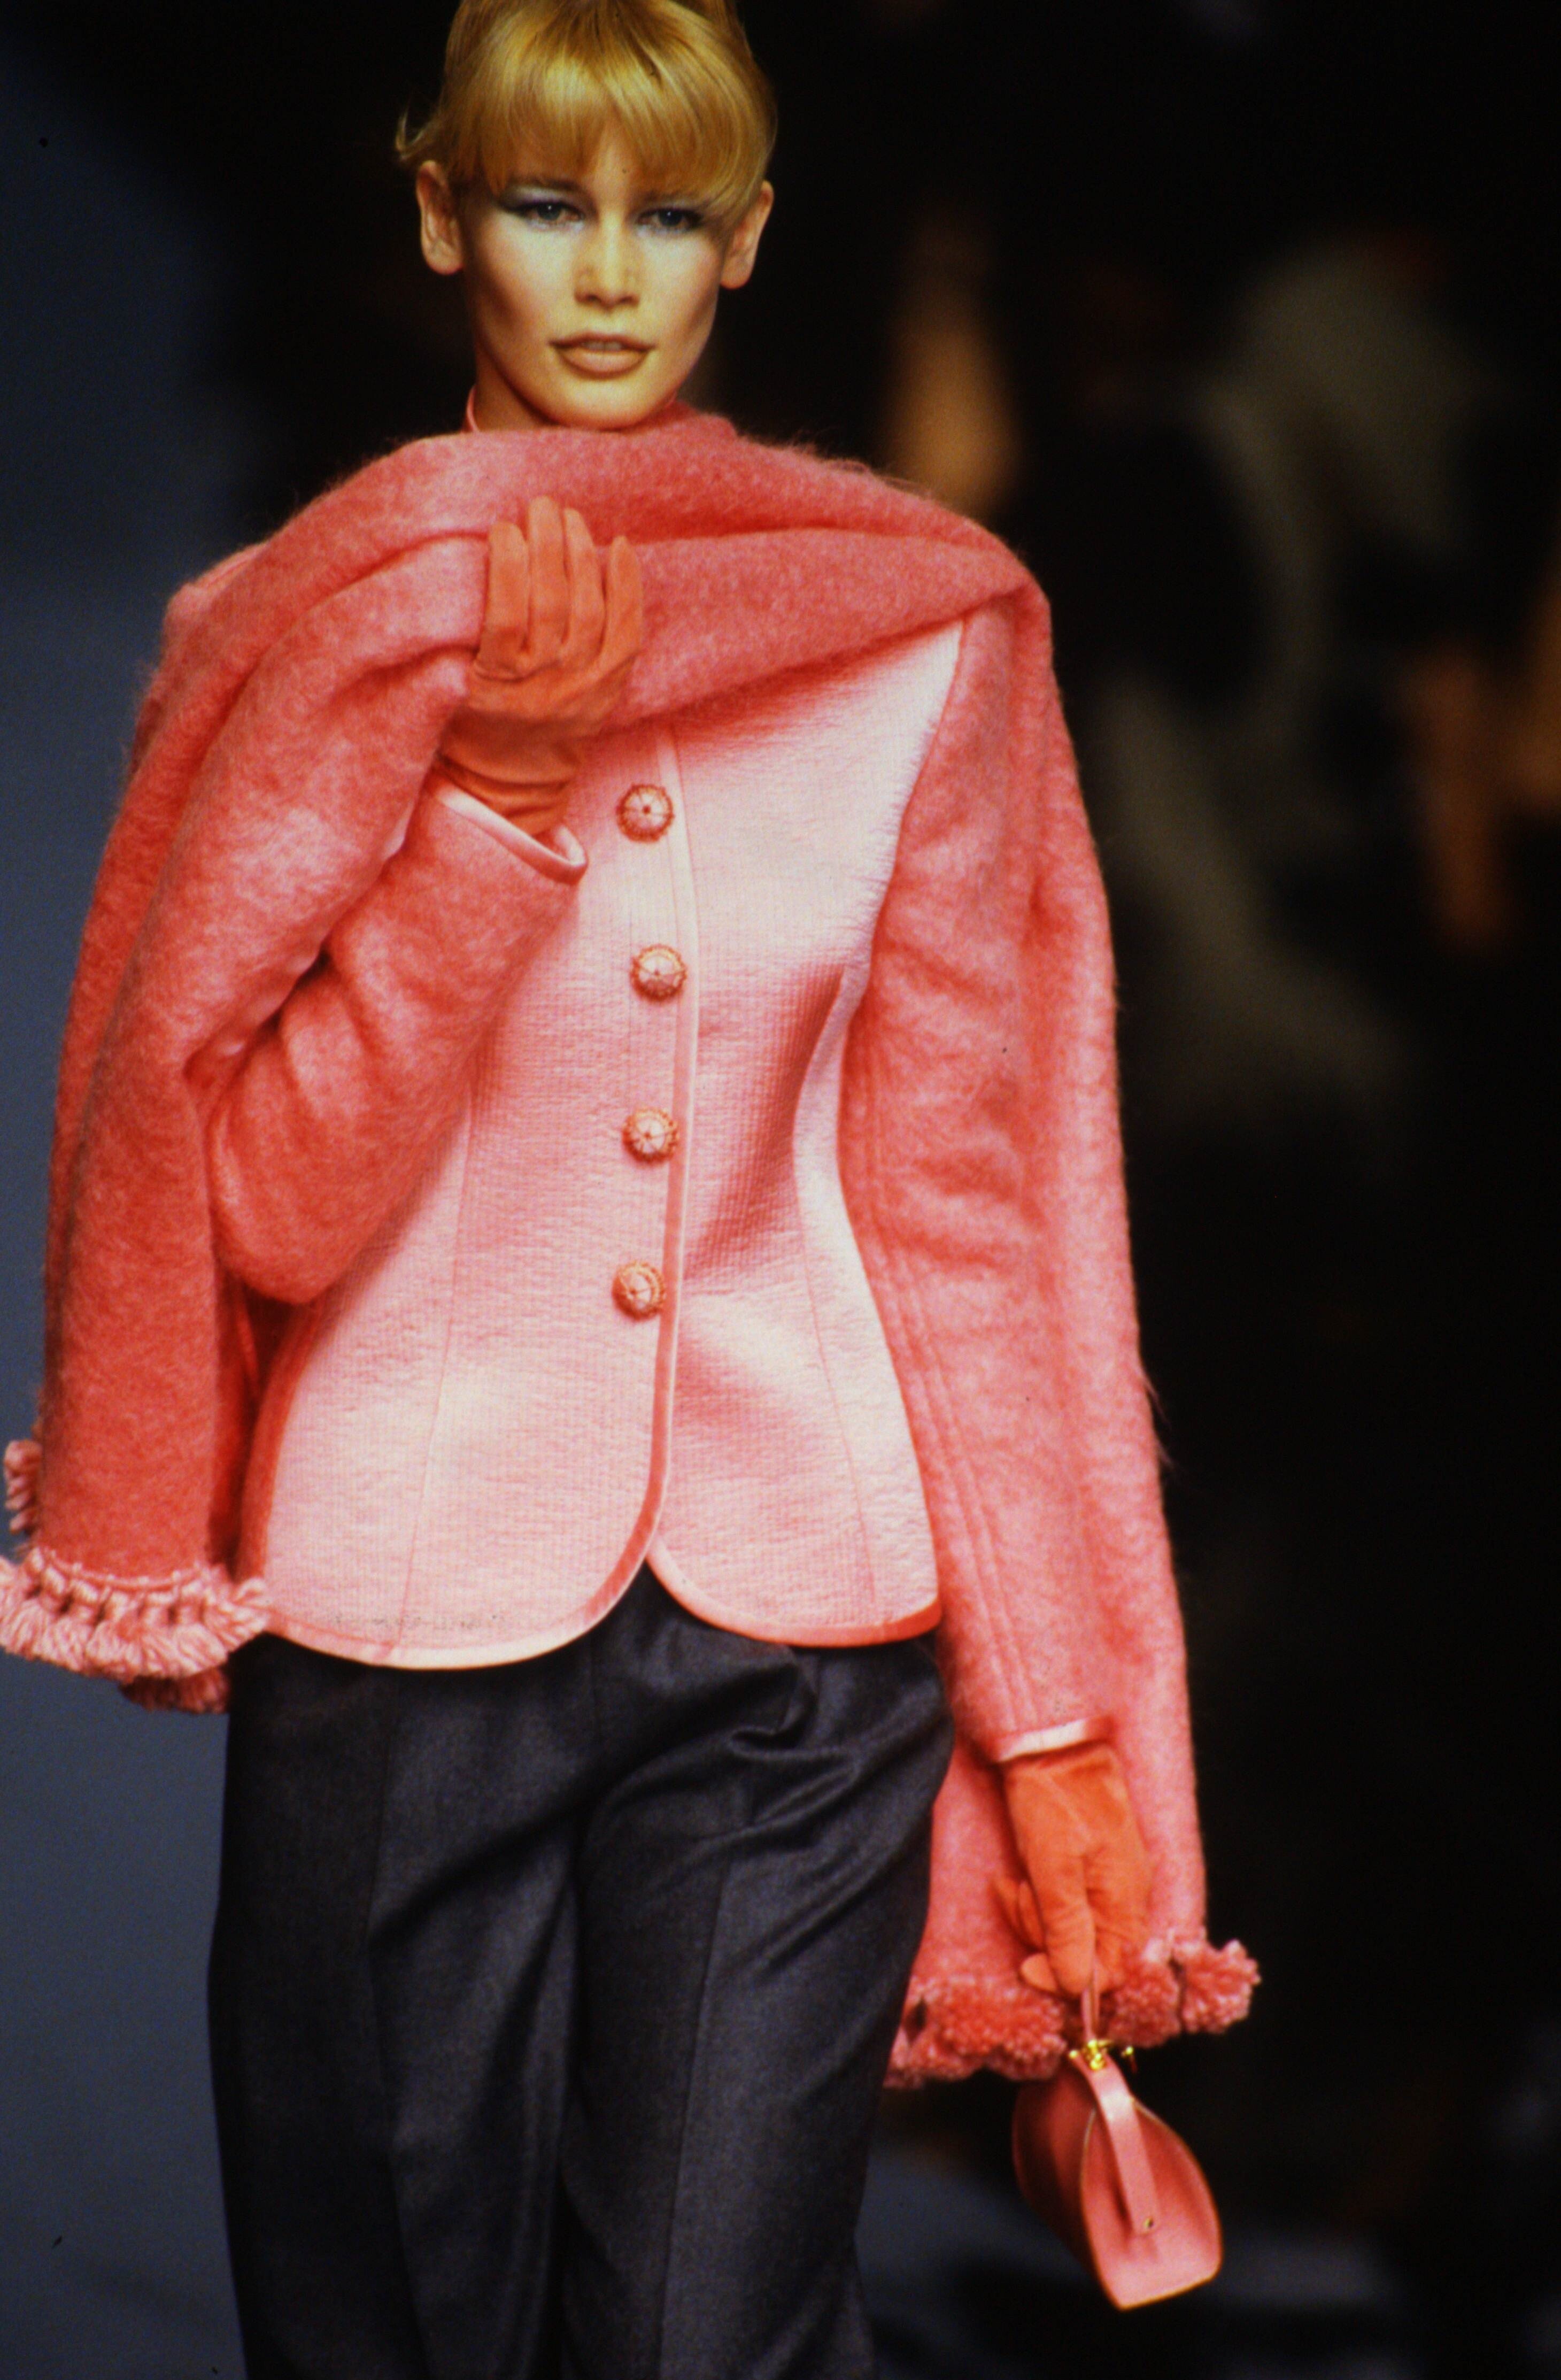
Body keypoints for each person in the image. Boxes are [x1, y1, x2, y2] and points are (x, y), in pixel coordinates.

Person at [0, 3, 1253, 2372]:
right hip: (405, 1623)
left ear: (747, 242)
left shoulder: (920, 631)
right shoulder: (300, 638)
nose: (605, 274)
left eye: (668, 215)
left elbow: (968, 1213)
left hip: (806, 1641)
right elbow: (259, 1206)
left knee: (713, 2339)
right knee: (388, 2328)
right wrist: (491, 807)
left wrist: (1053, 1713)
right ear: (438, 215)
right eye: (545, 204)